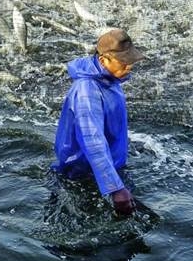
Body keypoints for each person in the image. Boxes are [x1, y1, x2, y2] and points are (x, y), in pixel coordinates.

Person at [52, 28, 145, 216]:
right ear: (103, 60)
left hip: (107, 167)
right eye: (124, 62)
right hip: (82, 175)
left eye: (131, 61)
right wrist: (115, 188)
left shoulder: (109, 79)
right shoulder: (87, 91)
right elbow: (92, 139)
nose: (129, 67)